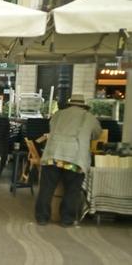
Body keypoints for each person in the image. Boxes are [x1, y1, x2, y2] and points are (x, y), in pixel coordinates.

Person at [35, 94, 102, 227]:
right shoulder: (90, 118)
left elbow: (51, 127)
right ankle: (66, 219)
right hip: (75, 159)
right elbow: (96, 134)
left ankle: (42, 218)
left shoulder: (59, 114)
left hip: (53, 156)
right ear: (83, 106)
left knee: (46, 188)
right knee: (72, 190)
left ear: (70, 104)